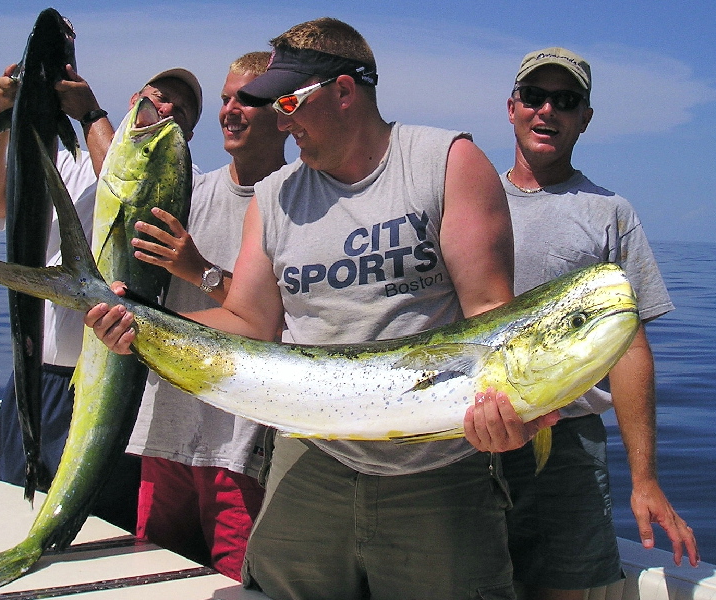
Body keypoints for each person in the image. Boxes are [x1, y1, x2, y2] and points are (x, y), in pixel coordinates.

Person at [86, 18, 557, 599]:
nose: (280, 121)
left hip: (435, 470)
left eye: (288, 101)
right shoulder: (275, 195)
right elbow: (247, 324)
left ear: (343, 91)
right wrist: (142, 328)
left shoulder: (446, 162)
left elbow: (493, 316)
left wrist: (519, 406)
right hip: (309, 458)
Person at [498, 47, 699, 600]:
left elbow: (630, 349)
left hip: (570, 441)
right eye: (535, 97)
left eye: (566, 101)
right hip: (471, 435)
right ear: (512, 107)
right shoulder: (467, 201)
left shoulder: (611, 213)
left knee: (566, 587)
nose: (547, 111)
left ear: (585, 117)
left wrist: (646, 478)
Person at [0, 62, 203, 533]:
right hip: (38, 382)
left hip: (115, 385)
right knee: (2, 520)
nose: (168, 105)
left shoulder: (182, 184)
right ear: (135, 95)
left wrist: (91, 113)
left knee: (91, 536)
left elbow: (124, 180)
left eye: (183, 109)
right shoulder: (69, 166)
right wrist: (4, 111)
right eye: (158, 92)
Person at [123, 51, 289, 580]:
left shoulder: (300, 202)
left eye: (248, 99)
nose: (230, 110)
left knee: (238, 583)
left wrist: (200, 271)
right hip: (165, 432)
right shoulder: (187, 192)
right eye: (225, 99)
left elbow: (279, 322)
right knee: (147, 581)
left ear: (284, 113)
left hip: (243, 446)